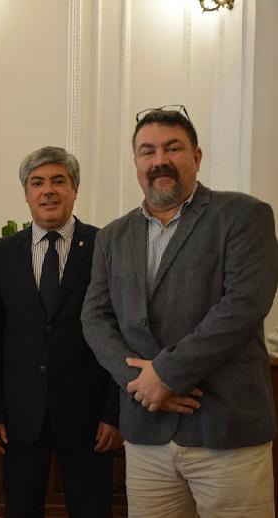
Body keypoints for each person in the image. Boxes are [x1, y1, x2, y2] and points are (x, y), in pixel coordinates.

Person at [82, 105, 278, 518]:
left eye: (172, 148)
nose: (159, 160)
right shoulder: (113, 236)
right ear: (136, 162)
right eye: (147, 151)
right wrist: (140, 383)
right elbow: (95, 319)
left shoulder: (244, 215)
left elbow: (244, 306)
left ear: (197, 156)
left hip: (225, 430)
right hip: (146, 432)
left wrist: (167, 375)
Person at [0, 146, 122, 518]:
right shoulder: (1, 253)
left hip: (89, 415)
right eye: (37, 183)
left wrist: (114, 412)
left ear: (75, 189)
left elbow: (120, 332)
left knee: (92, 510)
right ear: (26, 194)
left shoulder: (105, 246)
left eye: (59, 181)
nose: (48, 191)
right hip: (21, 416)